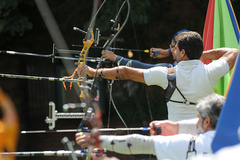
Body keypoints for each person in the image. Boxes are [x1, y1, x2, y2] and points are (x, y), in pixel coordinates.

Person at [78, 31, 238, 121]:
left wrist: (92, 72)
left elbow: (126, 72)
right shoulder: (211, 71)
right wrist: (197, 55)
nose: (171, 51)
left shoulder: (166, 74)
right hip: (203, 136)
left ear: (183, 52)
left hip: (177, 139)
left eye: (174, 48)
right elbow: (233, 52)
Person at [76, 93, 225, 160]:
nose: (196, 122)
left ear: (207, 122)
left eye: (198, 119)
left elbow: (142, 143)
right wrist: (175, 127)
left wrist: (97, 140)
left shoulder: (191, 144)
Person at [102, 30, 189, 69]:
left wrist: (116, 58)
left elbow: (144, 68)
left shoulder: (175, 70)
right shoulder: (195, 58)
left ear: (182, 52)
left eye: (173, 47)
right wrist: (167, 52)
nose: (171, 49)